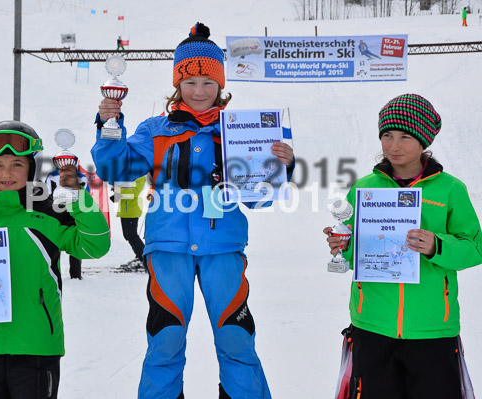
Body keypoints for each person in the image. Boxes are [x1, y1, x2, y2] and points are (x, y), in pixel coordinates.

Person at [92, 22, 294, 399]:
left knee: (236, 338)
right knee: (165, 340)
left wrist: (280, 165)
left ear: (220, 87)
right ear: (177, 86)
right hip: (168, 249)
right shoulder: (156, 129)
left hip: (223, 249)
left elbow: (258, 198)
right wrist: (108, 126)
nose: (199, 91)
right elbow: (115, 168)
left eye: (208, 83)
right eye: (190, 83)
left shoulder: (238, 130)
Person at [0, 120, 110, 399]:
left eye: (17, 164)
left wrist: (78, 198)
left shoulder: (48, 213)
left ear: (31, 168)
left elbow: (94, 246)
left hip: (36, 348)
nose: (7, 173)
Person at [324, 94, 481, 398]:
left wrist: (437, 245)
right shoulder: (365, 187)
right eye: (387, 135)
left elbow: (475, 248)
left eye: (405, 137)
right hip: (372, 325)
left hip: (433, 328)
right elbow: (358, 250)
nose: (393, 145)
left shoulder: (450, 190)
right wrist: (342, 244)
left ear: (423, 141)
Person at [45, 160, 90, 279]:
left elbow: (47, 192)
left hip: (61, 209)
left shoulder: (53, 175)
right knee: (58, 240)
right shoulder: (79, 176)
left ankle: (73, 274)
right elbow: (86, 193)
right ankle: (74, 274)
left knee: (58, 240)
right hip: (67, 209)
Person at [113, 175, 147, 272]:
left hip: (132, 211)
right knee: (127, 236)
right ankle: (139, 257)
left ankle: (144, 259)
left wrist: (119, 190)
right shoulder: (127, 176)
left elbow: (134, 193)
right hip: (124, 210)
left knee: (132, 236)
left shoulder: (140, 177)